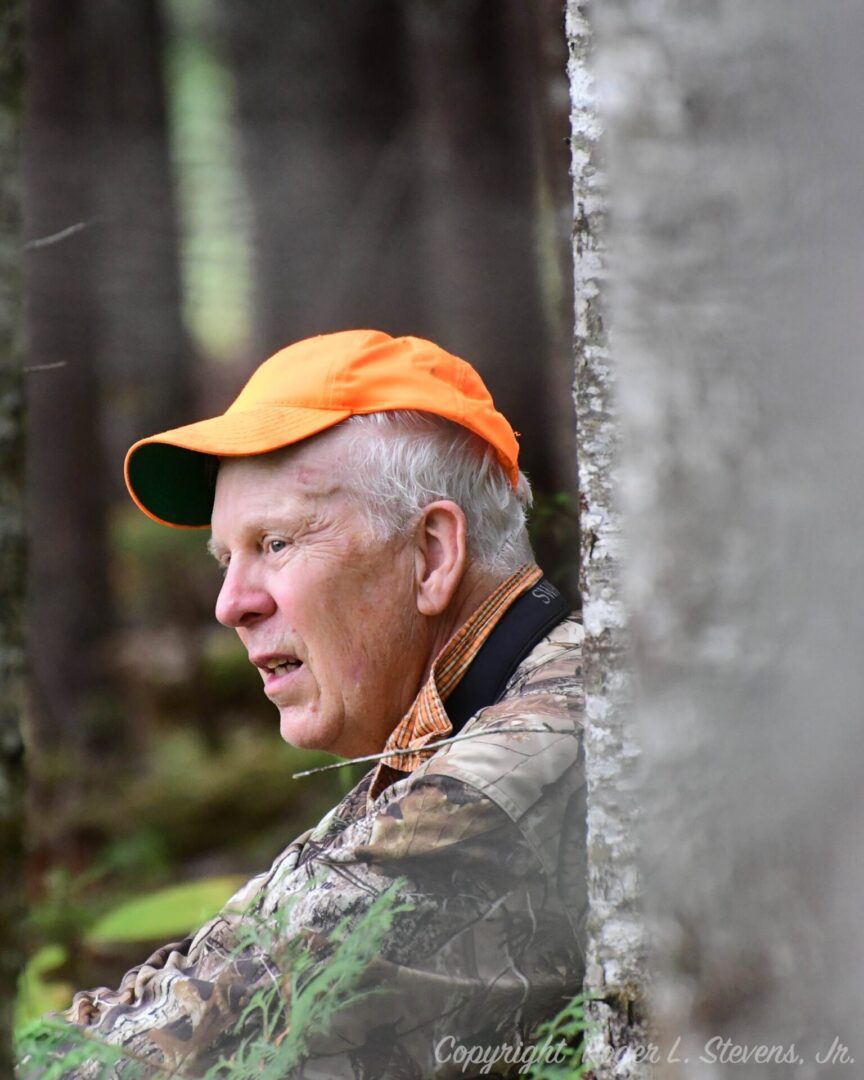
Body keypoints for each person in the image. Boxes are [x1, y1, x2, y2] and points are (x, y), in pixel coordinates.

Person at [54, 329, 586, 1077]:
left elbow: (163, 1057)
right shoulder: (451, 732)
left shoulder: (508, 777)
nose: (230, 604)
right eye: (225, 559)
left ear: (433, 553)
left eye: (274, 543)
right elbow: (189, 983)